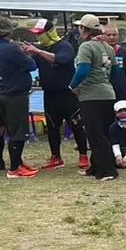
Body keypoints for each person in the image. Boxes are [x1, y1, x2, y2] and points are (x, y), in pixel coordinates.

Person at [22, 17, 90, 171]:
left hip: (67, 93)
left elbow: (62, 60)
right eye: (37, 34)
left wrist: (38, 51)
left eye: (41, 33)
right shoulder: (38, 50)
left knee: (76, 125)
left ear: (49, 33)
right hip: (50, 94)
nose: (38, 37)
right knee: (52, 127)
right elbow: (30, 65)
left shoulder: (64, 46)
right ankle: (56, 157)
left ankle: (83, 155)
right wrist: (24, 54)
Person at [0, 24, 41, 179]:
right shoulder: (11, 49)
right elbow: (31, 65)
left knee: (11, 129)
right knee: (18, 131)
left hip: (3, 91)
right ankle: (14, 168)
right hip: (15, 93)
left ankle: (18, 162)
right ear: (9, 32)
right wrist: (26, 57)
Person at [69, 15, 119, 182]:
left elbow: (82, 70)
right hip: (107, 93)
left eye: (80, 27)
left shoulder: (86, 47)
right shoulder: (107, 47)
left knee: (95, 134)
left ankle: (107, 170)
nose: (79, 30)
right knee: (104, 132)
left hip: (91, 95)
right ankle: (96, 166)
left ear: (85, 29)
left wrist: (72, 86)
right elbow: (115, 71)